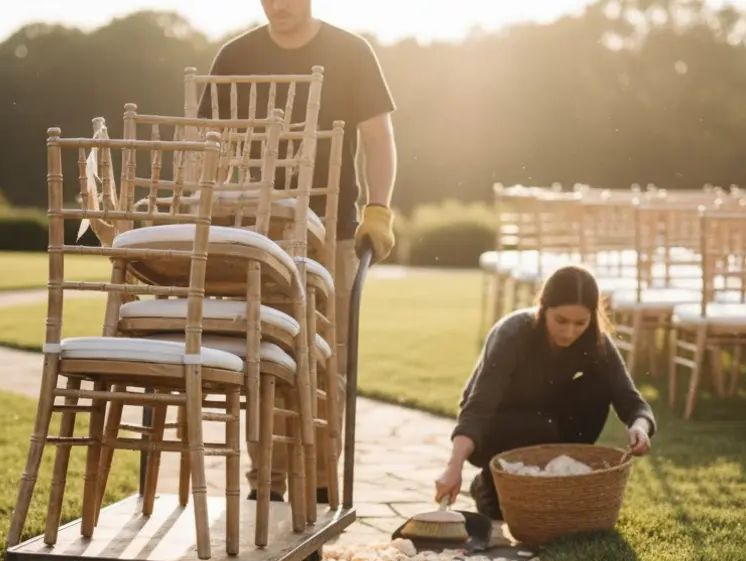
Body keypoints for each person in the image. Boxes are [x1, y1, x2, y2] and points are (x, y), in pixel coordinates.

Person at [200, 0, 399, 503]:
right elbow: (208, 145)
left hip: (332, 233)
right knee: (263, 355)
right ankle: (266, 483)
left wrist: (378, 209)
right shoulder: (235, 57)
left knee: (327, 360)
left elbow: (378, 139)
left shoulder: (351, 52)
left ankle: (320, 481)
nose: (278, 4)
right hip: (258, 233)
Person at [435, 265, 657, 519]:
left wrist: (640, 427)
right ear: (543, 307)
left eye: (580, 323)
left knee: (595, 389)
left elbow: (634, 403)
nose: (569, 332)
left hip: (545, 421)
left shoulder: (596, 342)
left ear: (592, 317)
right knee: (504, 504)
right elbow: (478, 407)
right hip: (494, 427)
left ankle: (554, 476)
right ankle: (488, 481)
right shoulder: (513, 333)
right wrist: (454, 467)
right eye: (560, 320)